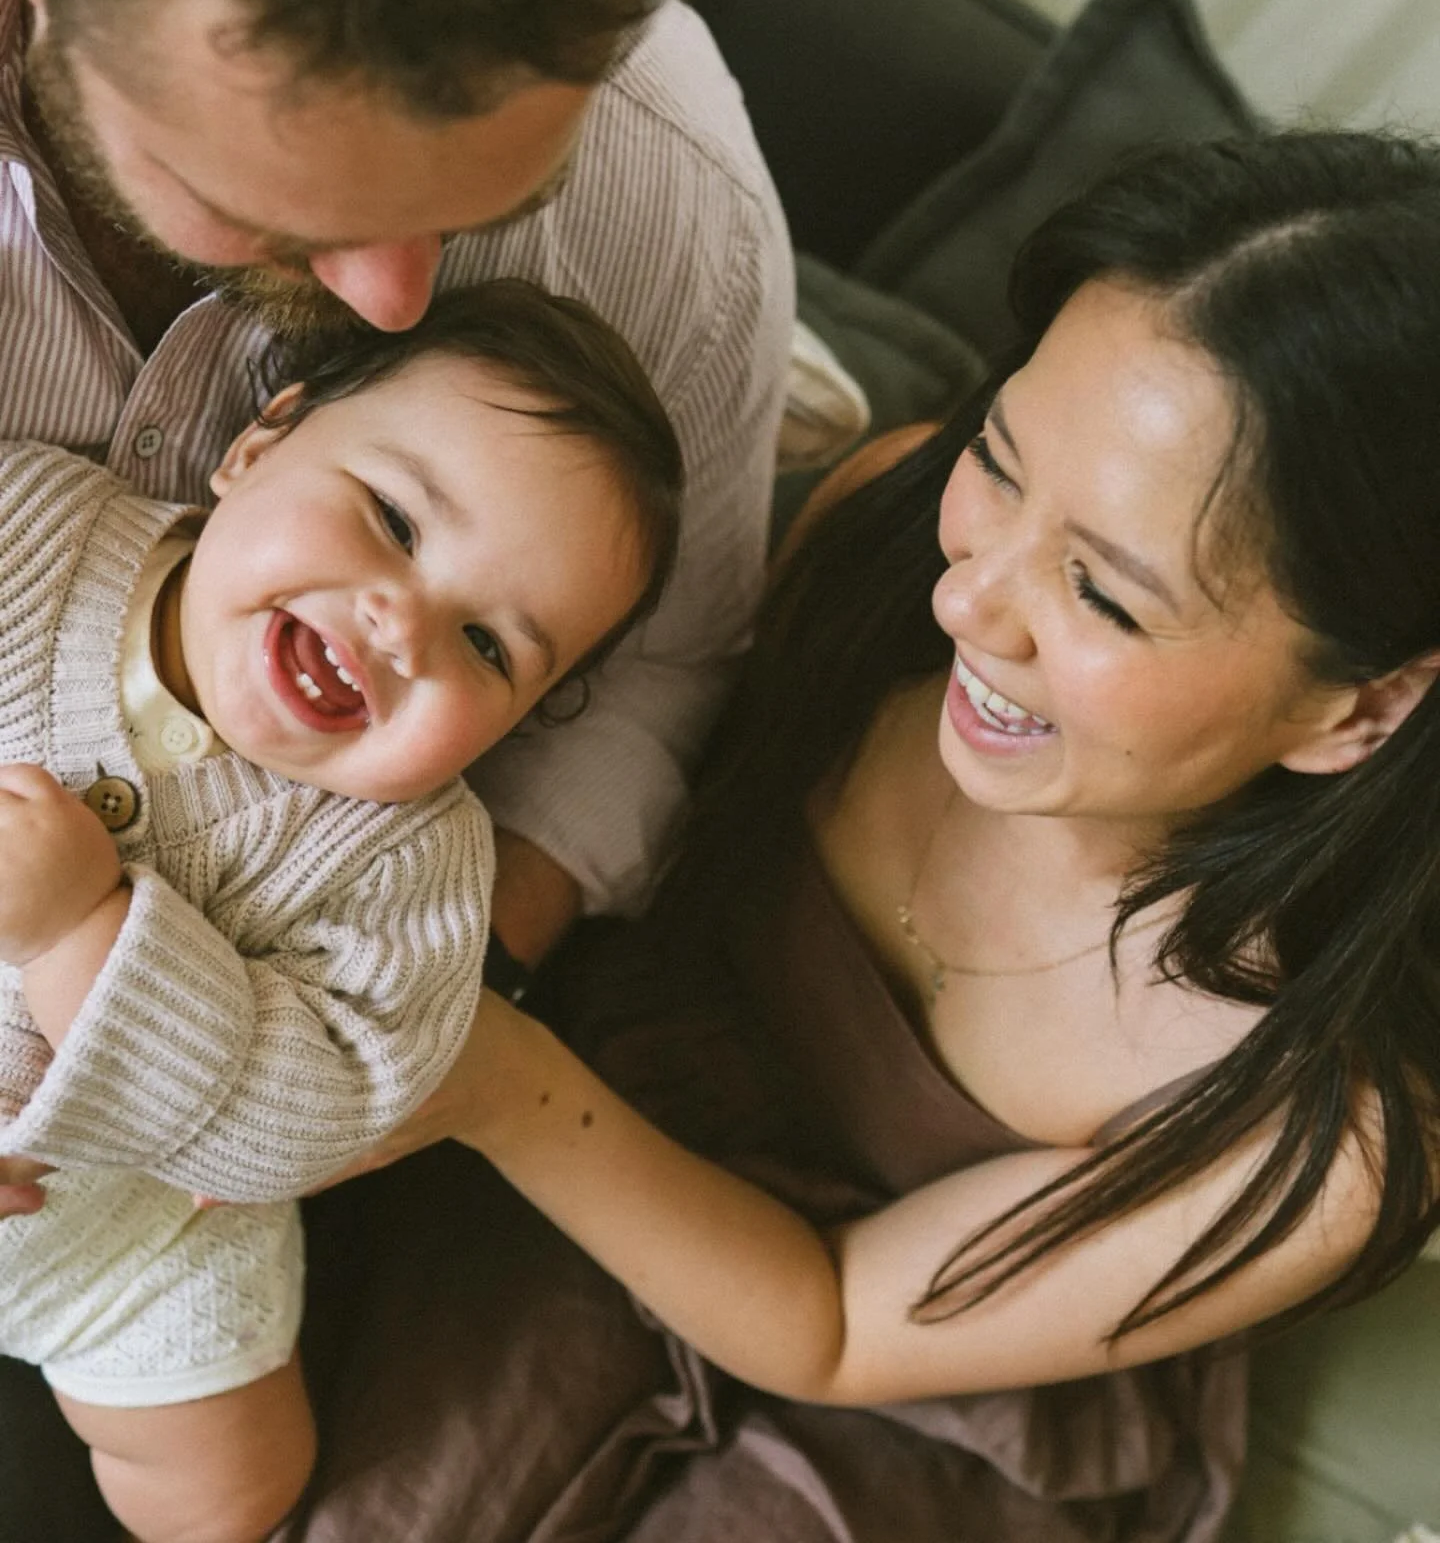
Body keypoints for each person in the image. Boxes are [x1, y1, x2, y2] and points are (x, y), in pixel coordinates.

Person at [282, 130, 1440, 1542]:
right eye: (1002, 463)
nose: (976, 606)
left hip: (898, 1381)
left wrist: (490, 1077)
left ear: (1360, 707)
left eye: (1108, 599)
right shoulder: (888, 531)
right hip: (601, 1107)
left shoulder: (1319, 1135)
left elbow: (833, 1326)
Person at [0, 278, 683, 1543]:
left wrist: (78, 938)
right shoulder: (28, 531)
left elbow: (314, 1118)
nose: (400, 625)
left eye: (489, 647)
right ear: (259, 442)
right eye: (395, 521)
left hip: (124, 1237)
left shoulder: (411, 867)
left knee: (234, 1486)